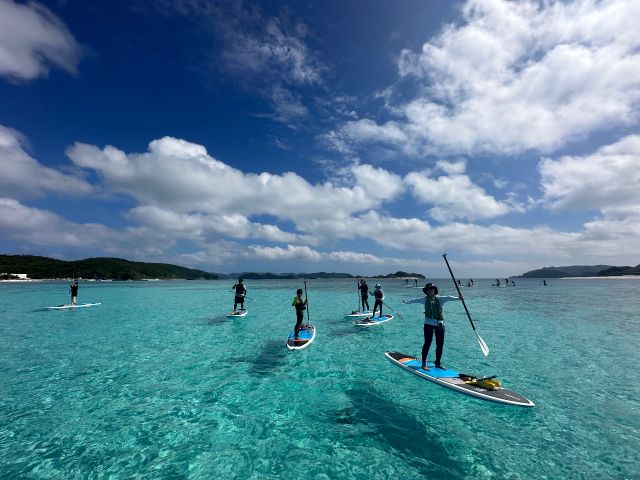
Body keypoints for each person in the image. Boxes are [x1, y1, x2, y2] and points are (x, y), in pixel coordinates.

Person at [403, 282, 462, 370]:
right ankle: (423, 364)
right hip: (428, 324)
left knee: (440, 345)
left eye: (432, 289)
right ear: (426, 291)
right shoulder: (424, 299)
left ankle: (437, 363)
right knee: (427, 343)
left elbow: (449, 298)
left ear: (435, 290)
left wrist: (459, 298)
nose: (430, 291)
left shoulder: (441, 299)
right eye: (428, 290)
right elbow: (414, 300)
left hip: (440, 324)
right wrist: (406, 302)